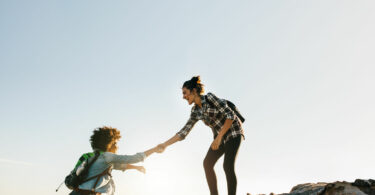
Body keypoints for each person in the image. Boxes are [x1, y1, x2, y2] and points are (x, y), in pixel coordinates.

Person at [158, 76, 244, 195]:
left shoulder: (210, 98)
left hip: (233, 131)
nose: (183, 96)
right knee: (207, 164)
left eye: (185, 93)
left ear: (194, 91)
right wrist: (165, 144)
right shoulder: (195, 111)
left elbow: (230, 115)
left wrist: (218, 138)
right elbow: (183, 132)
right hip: (220, 138)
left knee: (227, 165)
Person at [70, 126, 162, 195]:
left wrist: (136, 167)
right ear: (110, 143)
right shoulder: (108, 156)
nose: (117, 146)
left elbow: (121, 166)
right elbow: (134, 158)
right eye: (115, 143)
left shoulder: (88, 156)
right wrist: (154, 149)